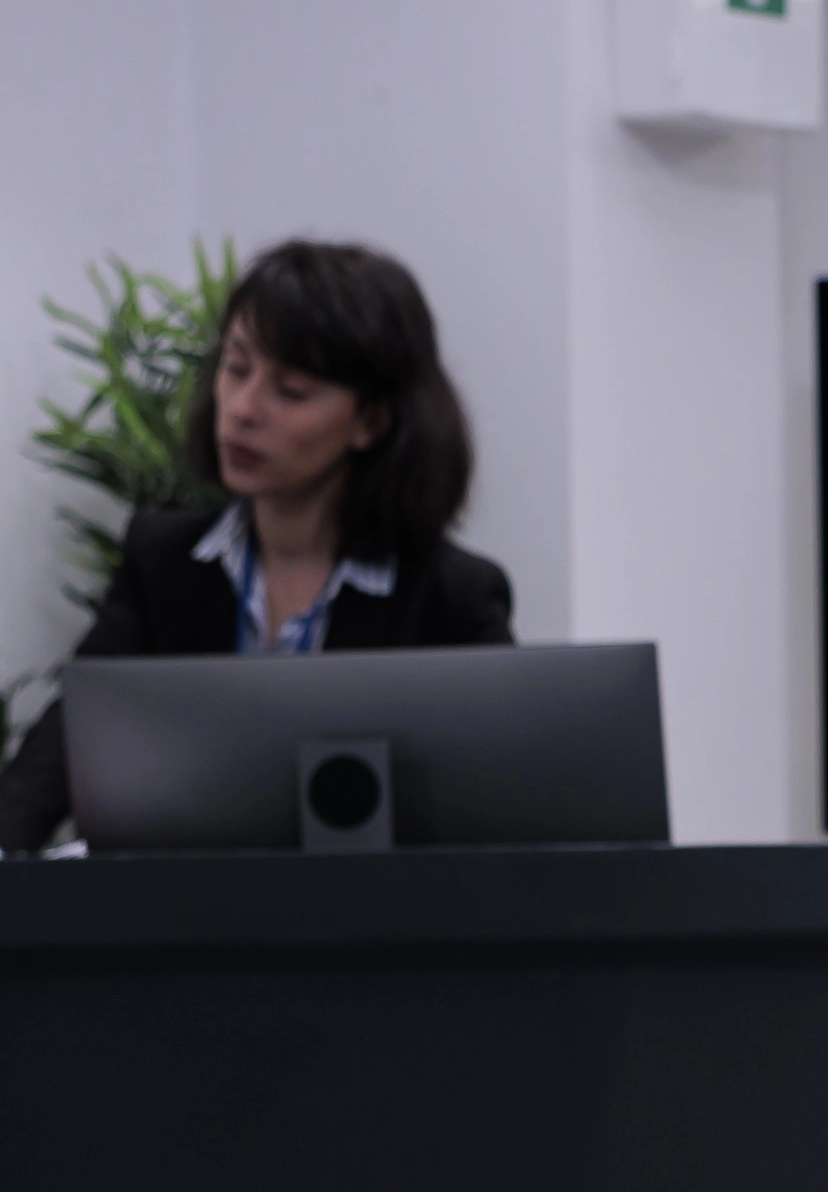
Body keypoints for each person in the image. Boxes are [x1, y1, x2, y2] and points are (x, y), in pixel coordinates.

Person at [0, 240, 508, 855]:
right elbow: (74, 734)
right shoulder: (163, 560)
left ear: (370, 421)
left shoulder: (451, 595)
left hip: (372, 928)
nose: (241, 411)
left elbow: (500, 810)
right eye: (236, 370)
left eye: (289, 391)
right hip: (187, 920)